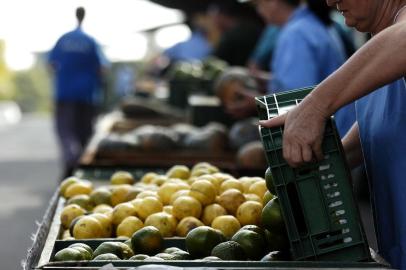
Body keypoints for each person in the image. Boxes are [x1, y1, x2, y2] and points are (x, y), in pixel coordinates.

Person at [260, 0, 406, 268]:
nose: (329, 1)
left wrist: (314, 106)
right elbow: (387, 125)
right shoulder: (381, 48)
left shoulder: (399, 36)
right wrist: (335, 156)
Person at [48, 7, 108, 178]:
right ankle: (80, 170)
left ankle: (71, 163)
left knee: (66, 132)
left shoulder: (63, 40)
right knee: (84, 135)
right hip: (87, 95)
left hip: (65, 94)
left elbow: (51, 64)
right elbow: (102, 68)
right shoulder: (91, 42)